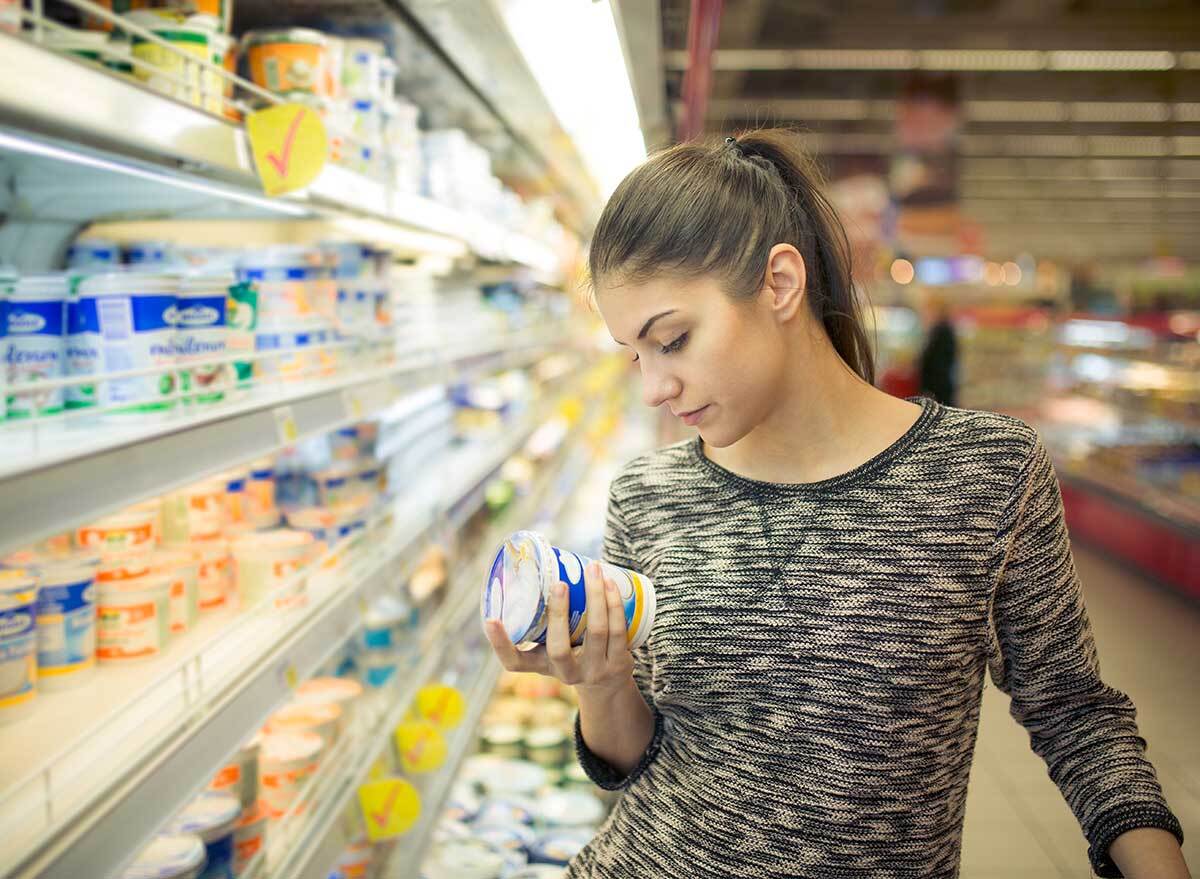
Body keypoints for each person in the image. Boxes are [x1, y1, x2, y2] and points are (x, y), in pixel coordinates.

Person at [483, 129, 1188, 879]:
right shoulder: (648, 494)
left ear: (780, 283)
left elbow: (1075, 713)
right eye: (636, 354)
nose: (654, 387)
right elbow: (631, 762)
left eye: (674, 340)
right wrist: (599, 680)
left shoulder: (985, 471)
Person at [918, 291, 959, 406]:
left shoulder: (942, 332)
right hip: (940, 387)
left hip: (939, 389)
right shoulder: (939, 330)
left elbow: (938, 364)